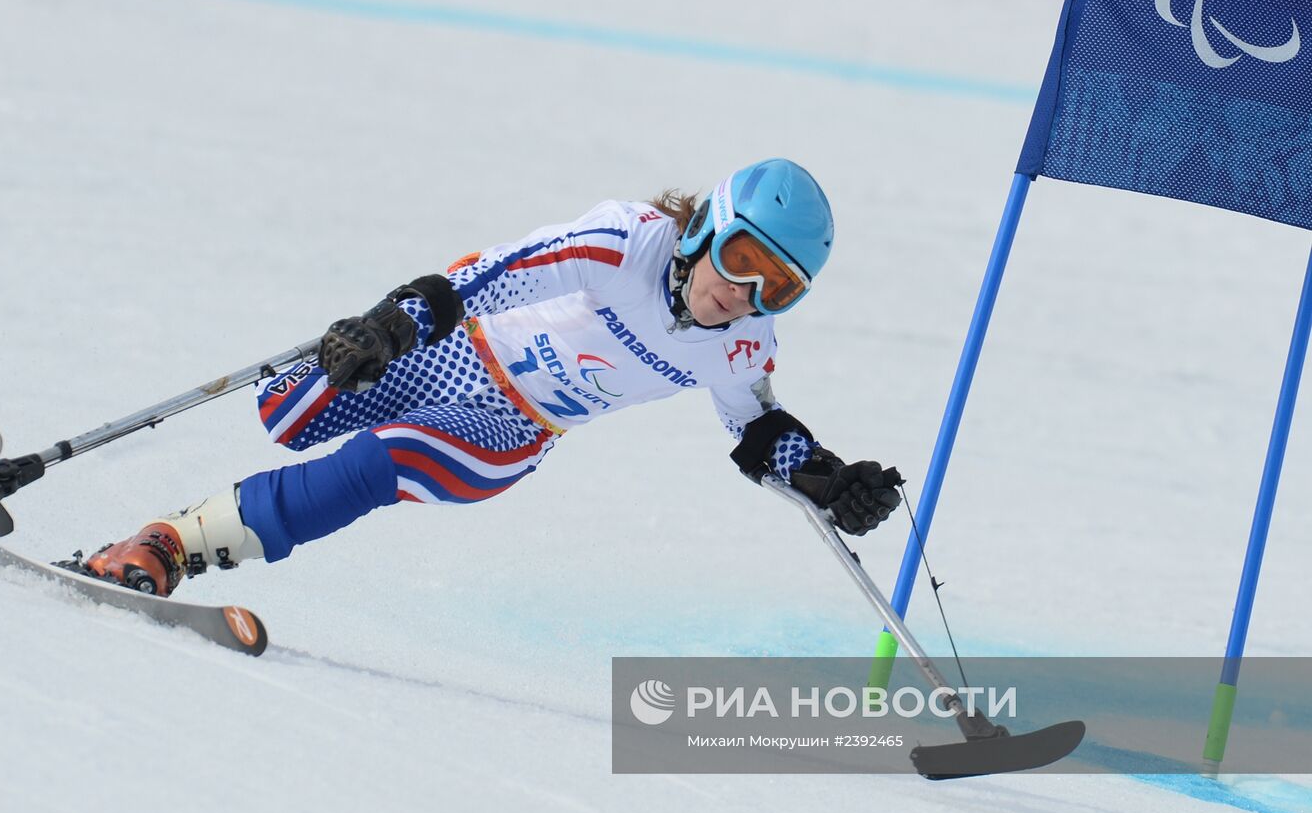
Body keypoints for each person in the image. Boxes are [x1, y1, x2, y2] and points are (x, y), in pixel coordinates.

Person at [79, 158, 905, 597]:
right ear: (706, 230)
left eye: (779, 287)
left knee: (386, 462)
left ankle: (170, 544)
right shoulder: (627, 242)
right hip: (458, 347)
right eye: (742, 260)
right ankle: (189, 519)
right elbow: (498, 274)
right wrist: (390, 324)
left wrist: (830, 480)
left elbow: (755, 425)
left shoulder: (741, 344)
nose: (745, 295)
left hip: (513, 428)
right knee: (288, 411)